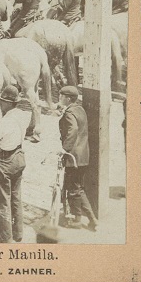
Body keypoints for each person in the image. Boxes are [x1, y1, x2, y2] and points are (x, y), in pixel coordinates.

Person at [0, 85, 30, 243]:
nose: (0, 105)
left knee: (2, 202)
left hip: (5, 161)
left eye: (1, 102)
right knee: (16, 198)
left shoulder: (5, 122)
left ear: (8, 103)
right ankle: (18, 233)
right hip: (19, 157)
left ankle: (4, 238)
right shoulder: (23, 115)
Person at [57, 86, 99, 231]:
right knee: (78, 188)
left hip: (73, 157)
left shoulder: (69, 113)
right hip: (83, 155)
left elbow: (73, 129)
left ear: (68, 98)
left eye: (61, 96)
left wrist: (64, 149)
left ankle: (79, 220)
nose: (59, 98)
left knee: (74, 189)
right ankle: (90, 219)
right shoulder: (79, 109)